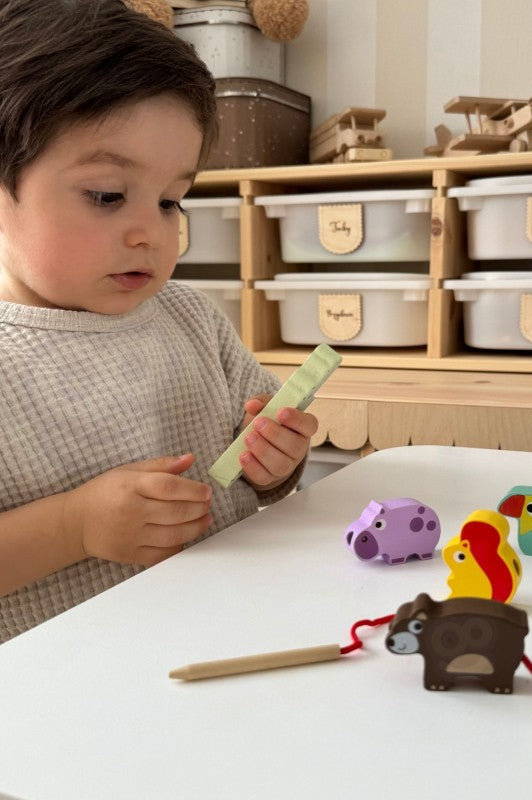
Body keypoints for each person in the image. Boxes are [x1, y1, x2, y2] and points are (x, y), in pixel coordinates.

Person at [0, 0, 317, 642]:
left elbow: (253, 467)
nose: (152, 232)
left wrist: (275, 463)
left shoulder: (189, 316)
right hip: (63, 688)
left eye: (172, 199)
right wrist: (75, 525)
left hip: (223, 629)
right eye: (107, 196)